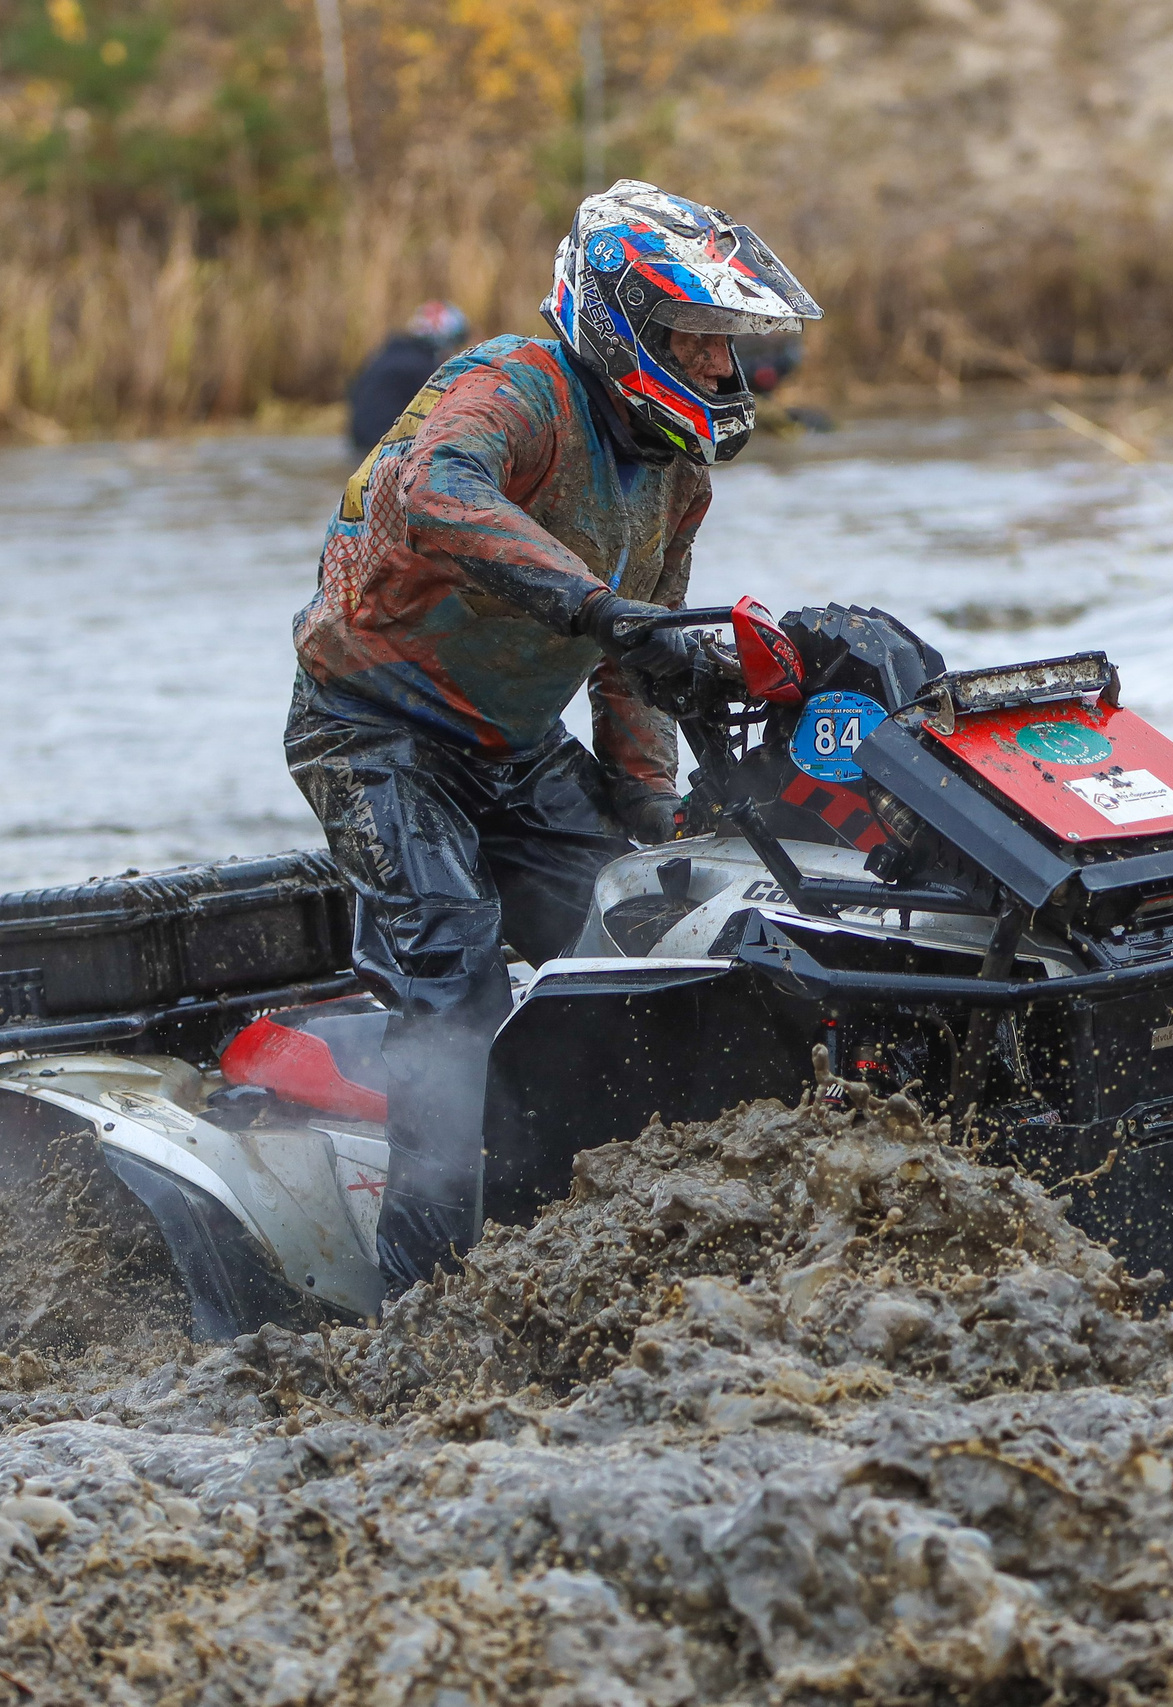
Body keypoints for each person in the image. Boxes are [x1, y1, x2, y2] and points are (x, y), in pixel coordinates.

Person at [285, 180, 820, 1297]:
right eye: (699, 342)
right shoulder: (514, 383)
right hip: (373, 731)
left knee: (645, 939)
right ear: (624, 324)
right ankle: (423, 1293)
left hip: (514, 748)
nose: (723, 370)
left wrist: (646, 810)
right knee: (455, 974)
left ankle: (594, 1213)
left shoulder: (674, 479)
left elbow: (643, 657)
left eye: (728, 348)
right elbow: (432, 484)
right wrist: (594, 607)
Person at [346, 300, 471, 454]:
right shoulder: (423, 368)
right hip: (387, 450)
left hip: (360, 447)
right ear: (443, 340)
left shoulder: (382, 357)